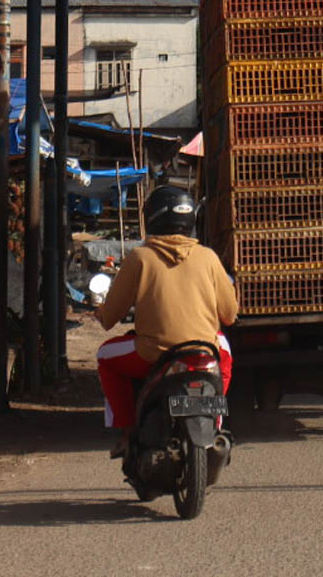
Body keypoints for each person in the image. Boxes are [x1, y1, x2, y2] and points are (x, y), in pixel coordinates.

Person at [96, 185, 238, 457]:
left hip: (153, 354)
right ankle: (215, 421)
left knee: (105, 356)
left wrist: (102, 313)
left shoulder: (139, 258)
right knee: (225, 354)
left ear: (152, 218)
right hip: (203, 351)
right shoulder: (208, 257)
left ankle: (126, 432)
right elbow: (229, 314)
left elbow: (111, 316)